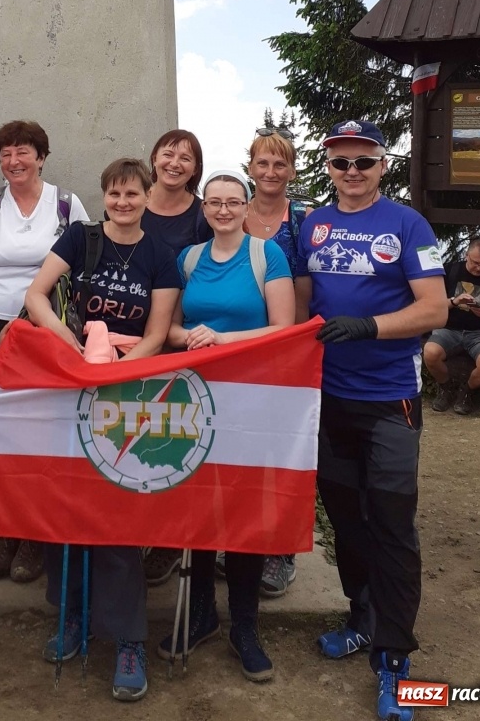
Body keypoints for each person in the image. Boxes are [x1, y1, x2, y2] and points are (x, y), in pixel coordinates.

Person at [294, 119, 447, 721]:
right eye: (340, 163)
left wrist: (371, 327)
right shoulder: (314, 224)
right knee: (345, 519)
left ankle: (394, 657)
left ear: (381, 165)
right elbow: (303, 308)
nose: (351, 173)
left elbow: (433, 306)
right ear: (328, 167)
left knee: (390, 521)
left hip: (390, 400)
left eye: (363, 162)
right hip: (329, 397)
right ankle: (362, 616)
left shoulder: (408, 223)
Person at [24, 157, 180, 703]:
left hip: (127, 394)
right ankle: (72, 618)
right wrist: (72, 355)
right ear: (105, 196)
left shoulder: (161, 254)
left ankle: (130, 640)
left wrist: (118, 370)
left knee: (116, 519)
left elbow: (159, 333)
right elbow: (36, 297)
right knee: (66, 510)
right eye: (114, 193)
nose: (123, 202)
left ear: (146, 196)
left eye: (132, 193)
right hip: (71, 383)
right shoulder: (80, 238)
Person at [157, 170, 295, 683]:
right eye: (213, 203)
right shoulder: (188, 259)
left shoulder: (267, 255)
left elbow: (283, 327)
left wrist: (222, 341)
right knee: (196, 503)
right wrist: (191, 336)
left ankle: (245, 625)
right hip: (197, 395)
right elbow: (165, 326)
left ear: (245, 207)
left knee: (243, 506)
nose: (221, 210)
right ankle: (199, 616)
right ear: (204, 208)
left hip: (252, 394)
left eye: (231, 202)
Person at [0, 120, 89, 583]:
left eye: (23, 152)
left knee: (39, 431)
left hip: (46, 326)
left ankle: (35, 536)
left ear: (41, 156)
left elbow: (81, 266)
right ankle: (5, 531)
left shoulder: (67, 204)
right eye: (6, 154)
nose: (14, 161)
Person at [138, 128, 211, 588]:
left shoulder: (204, 215)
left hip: (178, 338)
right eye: (169, 152)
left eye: (187, 157)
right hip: (126, 334)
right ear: (154, 157)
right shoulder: (128, 198)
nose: (176, 162)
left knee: (170, 442)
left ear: (195, 168)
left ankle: (167, 539)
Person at [244, 124, 310, 597]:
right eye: (262, 162)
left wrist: (300, 346)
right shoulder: (226, 212)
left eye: (279, 163)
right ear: (250, 167)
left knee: (282, 455)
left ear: (291, 169)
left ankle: (280, 550)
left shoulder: (302, 220)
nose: (270, 171)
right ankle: (241, 543)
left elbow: (305, 292)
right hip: (235, 350)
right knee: (240, 450)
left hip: (286, 349)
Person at [424, 240, 480, 415]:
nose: (479, 268)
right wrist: (454, 301)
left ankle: (466, 392)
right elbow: (430, 304)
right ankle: (445, 387)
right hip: (449, 328)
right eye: (475, 263)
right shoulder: (450, 270)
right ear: (466, 255)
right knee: (430, 352)